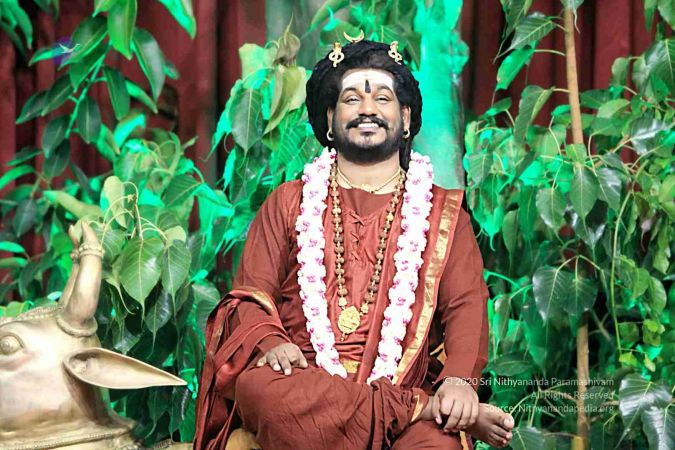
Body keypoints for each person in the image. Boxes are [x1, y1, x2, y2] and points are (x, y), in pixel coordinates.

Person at [194, 37, 515, 450]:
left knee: (439, 446)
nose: (367, 109)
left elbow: (466, 305)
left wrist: (458, 381)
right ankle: (419, 408)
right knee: (263, 390)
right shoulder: (289, 202)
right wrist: (272, 343)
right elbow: (248, 296)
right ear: (330, 120)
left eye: (382, 98)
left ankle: (411, 411)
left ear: (405, 119)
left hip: (400, 385)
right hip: (302, 385)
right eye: (351, 99)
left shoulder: (441, 212)